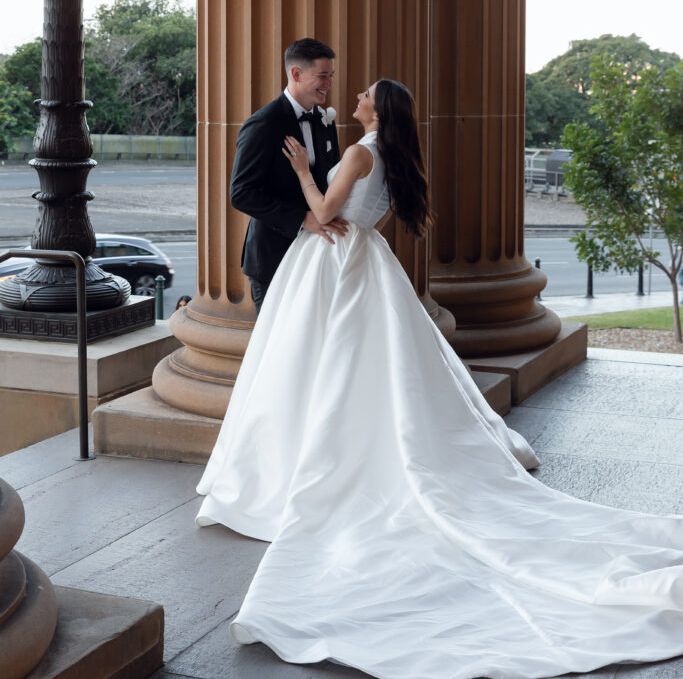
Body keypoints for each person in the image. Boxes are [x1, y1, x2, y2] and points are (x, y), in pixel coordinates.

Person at [196, 79, 683, 679]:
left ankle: (306, 460)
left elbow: (323, 214)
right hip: (368, 260)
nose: (354, 94)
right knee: (358, 368)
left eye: (366, 92)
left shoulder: (358, 152)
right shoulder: (393, 154)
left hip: (331, 261)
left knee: (319, 365)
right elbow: (366, 215)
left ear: (378, 108)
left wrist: (301, 170)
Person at [230, 37, 345, 314]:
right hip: (273, 258)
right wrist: (302, 219)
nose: (329, 83)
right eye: (322, 76)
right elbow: (241, 193)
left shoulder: (324, 121)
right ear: (296, 74)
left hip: (315, 255)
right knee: (275, 347)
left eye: (330, 76)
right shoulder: (263, 123)